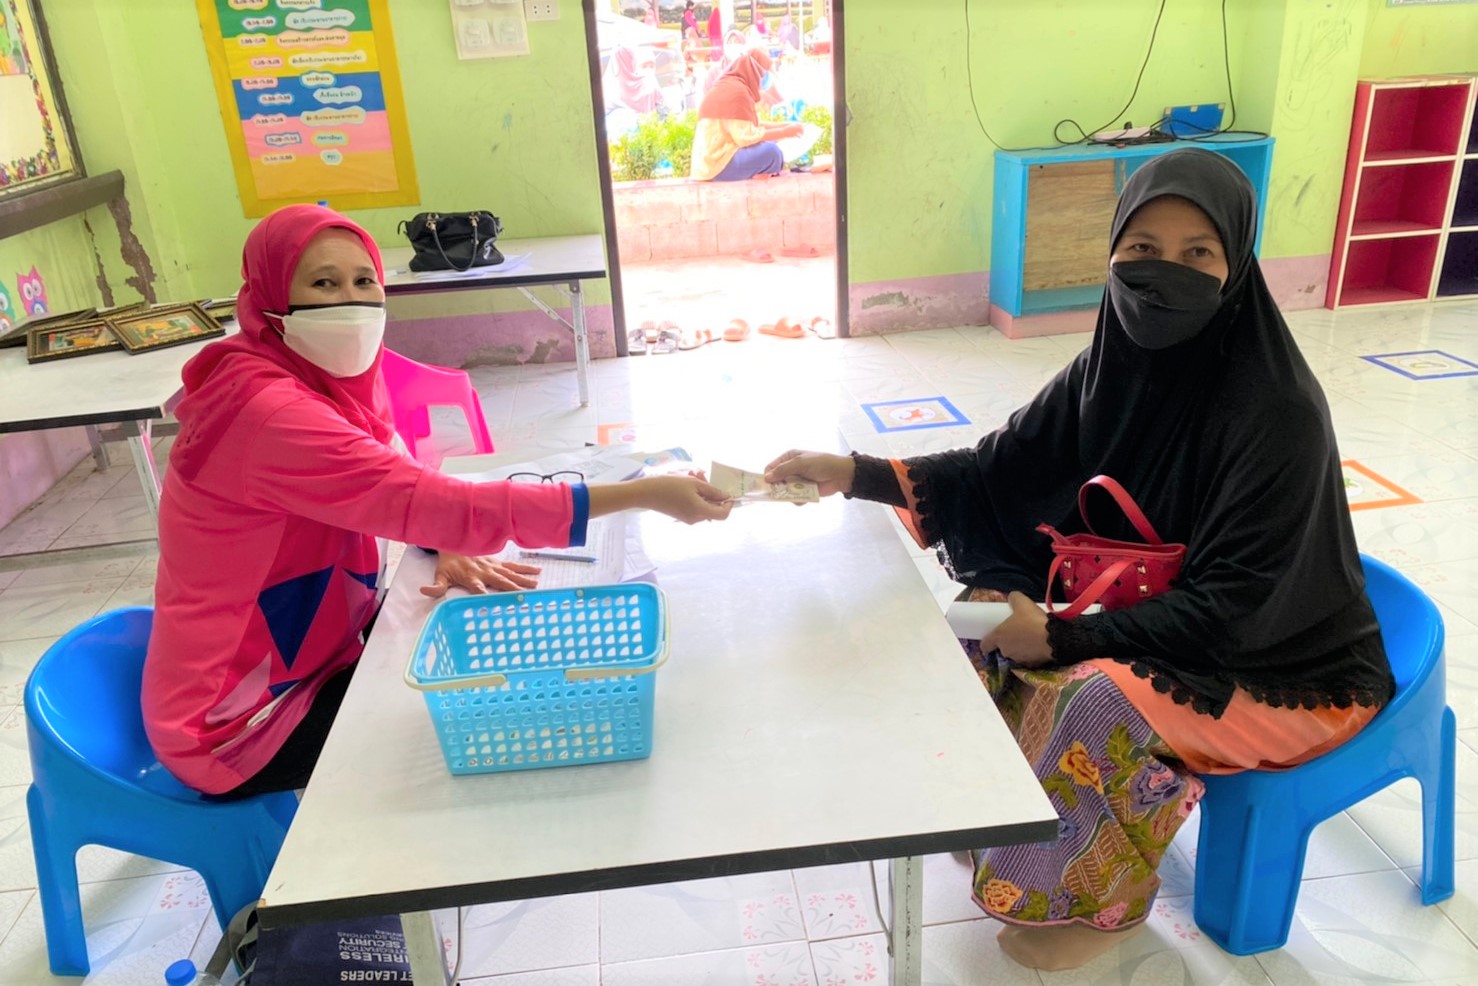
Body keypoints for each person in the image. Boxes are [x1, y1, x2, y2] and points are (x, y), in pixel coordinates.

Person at [764, 149, 1394, 971]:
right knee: (972, 623)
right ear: (1112, 254)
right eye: (1143, 249)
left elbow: (1240, 606)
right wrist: (855, 474)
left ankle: (1101, 902)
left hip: (1280, 664)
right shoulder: (1106, 369)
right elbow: (997, 473)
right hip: (1153, 611)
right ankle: (1012, 821)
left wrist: (1065, 638)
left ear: (1237, 265)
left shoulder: (1276, 412)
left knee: (1089, 703)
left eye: (1197, 253)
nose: (1163, 273)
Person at [143, 205, 733, 799]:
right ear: (271, 294)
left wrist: (441, 535)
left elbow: (390, 480)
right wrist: (642, 493)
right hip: (238, 726)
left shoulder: (325, 377)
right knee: (491, 730)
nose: (351, 302)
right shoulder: (264, 411)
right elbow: (430, 498)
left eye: (364, 281)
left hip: (326, 652)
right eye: (323, 283)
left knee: (491, 660)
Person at [690, 50, 802, 182]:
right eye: (764, 74)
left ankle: (758, 172)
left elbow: (752, 125)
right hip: (718, 166)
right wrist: (785, 132)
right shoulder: (737, 92)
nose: (765, 79)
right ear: (754, 71)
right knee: (773, 152)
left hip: (711, 164)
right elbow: (745, 137)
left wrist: (787, 126)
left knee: (771, 144)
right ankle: (757, 172)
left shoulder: (731, 86)